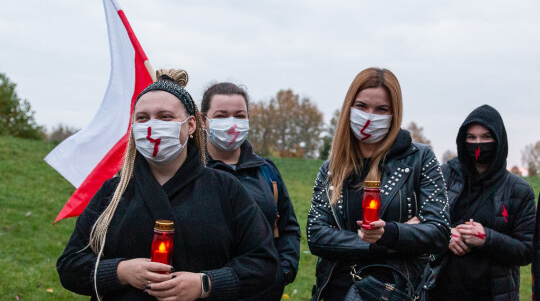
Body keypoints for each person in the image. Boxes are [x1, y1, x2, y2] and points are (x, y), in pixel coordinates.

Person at [57, 70, 278, 301]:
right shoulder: (112, 193)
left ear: (191, 125)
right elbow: (70, 266)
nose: (153, 126)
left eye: (165, 117)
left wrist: (205, 284)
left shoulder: (225, 188)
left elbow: (263, 263)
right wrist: (120, 271)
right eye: (142, 118)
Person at [307, 67, 451, 301]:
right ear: (349, 108)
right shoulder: (332, 168)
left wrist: (390, 232)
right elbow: (316, 235)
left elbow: (439, 231)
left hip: (393, 290)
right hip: (337, 290)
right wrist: (382, 244)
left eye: (381, 109)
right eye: (362, 106)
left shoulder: (420, 159)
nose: (369, 116)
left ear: (394, 114)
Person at [201, 82, 301, 301]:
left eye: (239, 115)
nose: (231, 123)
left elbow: (288, 228)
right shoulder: (191, 173)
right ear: (202, 121)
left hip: (263, 293)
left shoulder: (266, 171)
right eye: (221, 115)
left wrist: (283, 271)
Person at [430, 105, 535, 301]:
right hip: (439, 291)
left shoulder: (519, 190)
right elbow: (420, 221)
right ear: (463, 140)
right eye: (472, 138)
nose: (478, 144)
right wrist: (445, 235)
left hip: (493, 294)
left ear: (499, 139)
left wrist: (487, 238)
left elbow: (527, 251)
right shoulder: (443, 176)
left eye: (486, 137)